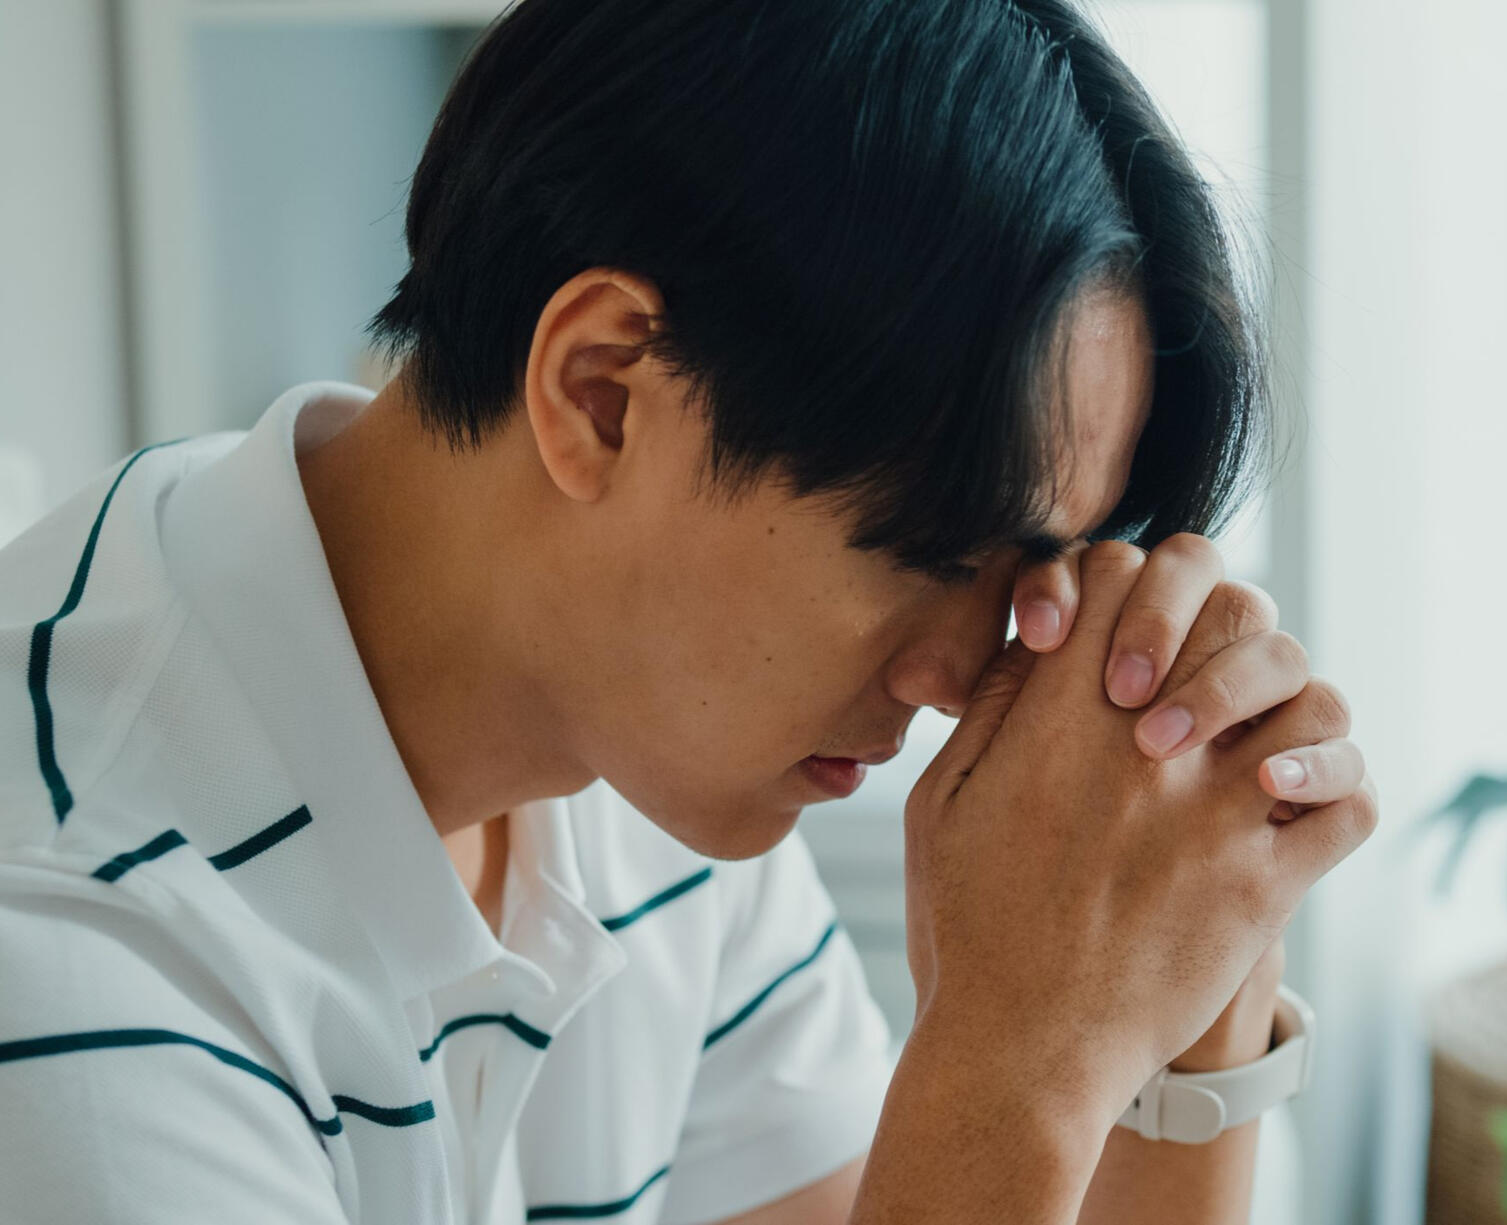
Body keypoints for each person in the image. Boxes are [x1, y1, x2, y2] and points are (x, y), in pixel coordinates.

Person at [0, 0, 1375, 1221]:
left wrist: (1198, 1017)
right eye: (928, 545)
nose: (967, 675)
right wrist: (1022, 1062)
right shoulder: (74, 963)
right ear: (601, 393)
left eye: (1031, 579)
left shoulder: (644, 746)